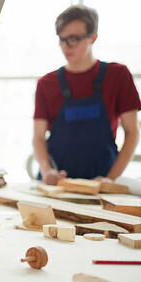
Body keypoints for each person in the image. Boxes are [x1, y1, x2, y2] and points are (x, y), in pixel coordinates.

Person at [33, 4, 140, 185]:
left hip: (102, 185)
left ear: (93, 37)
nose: (66, 46)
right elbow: (37, 138)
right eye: (62, 39)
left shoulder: (118, 75)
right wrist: (47, 170)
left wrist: (110, 179)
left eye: (73, 39)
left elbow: (132, 133)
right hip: (58, 185)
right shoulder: (46, 83)